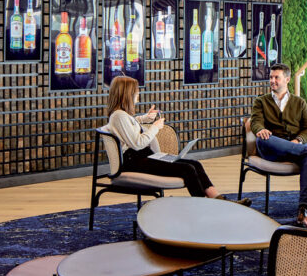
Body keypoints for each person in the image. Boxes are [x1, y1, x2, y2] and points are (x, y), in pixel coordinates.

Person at [107, 76, 251, 205]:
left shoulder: (121, 115)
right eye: (136, 91)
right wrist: (155, 127)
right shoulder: (119, 116)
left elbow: (130, 124)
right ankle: (205, 206)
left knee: (195, 163)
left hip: (141, 158)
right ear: (127, 94)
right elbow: (138, 143)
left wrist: (144, 118)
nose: (138, 94)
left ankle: (218, 200)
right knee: (187, 169)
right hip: (135, 162)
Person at [250, 63, 307, 225]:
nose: (272, 81)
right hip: (271, 149)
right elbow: (255, 122)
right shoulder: (261, 102)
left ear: (287, 79)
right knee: (263, 139)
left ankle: (304, 207)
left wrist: (298, 141)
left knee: (306, 156)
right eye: (271, 77)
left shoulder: (299, 102)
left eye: (277, 77)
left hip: (295, 150)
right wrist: (260, 130)